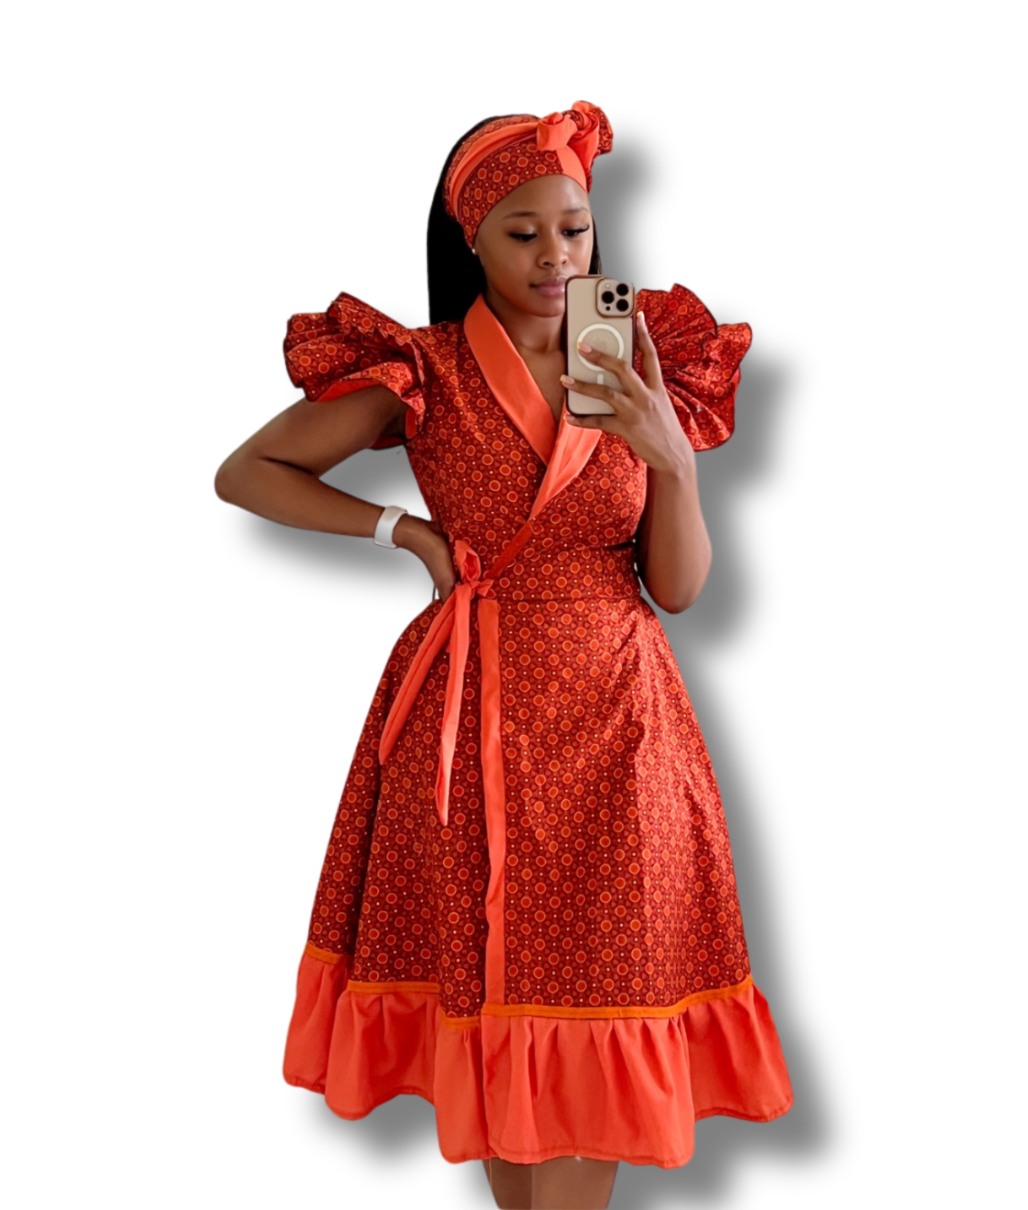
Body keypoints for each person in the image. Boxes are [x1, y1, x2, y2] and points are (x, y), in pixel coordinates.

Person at [215, 101, 793, 1210]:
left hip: (621, 722)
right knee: (497, 997)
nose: (554, 257)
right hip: (472, 706)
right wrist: (404, 531)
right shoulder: (423, 368)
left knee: (599, 990)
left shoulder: (639, 362)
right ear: (470, 239)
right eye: (522, 233)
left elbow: (676, 589)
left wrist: (669, 456)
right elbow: (248, 472)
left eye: (573, 230)